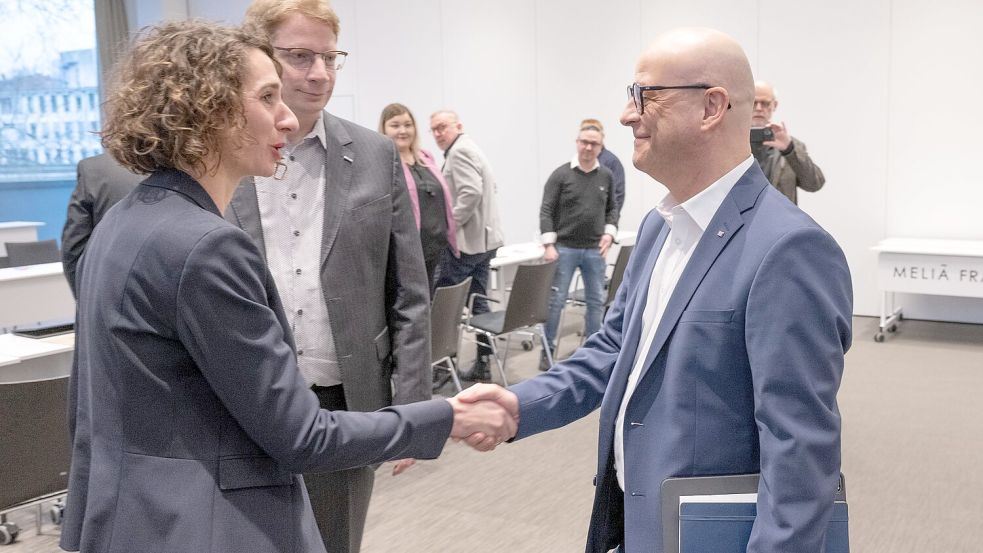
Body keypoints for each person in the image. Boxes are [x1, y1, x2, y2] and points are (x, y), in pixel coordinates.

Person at [61, 20, 515, 553]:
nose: (286, 115)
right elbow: (302, 436)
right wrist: (447, 414)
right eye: (268, 96)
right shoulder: (207, 246)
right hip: (208, 527)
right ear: (211, 110)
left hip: (130, 520)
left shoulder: (122, 222)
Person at [459, 27, 853, 552]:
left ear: (711, 106)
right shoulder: (657, 227)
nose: (627, 114)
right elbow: (615, 350)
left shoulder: (788, 249)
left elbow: (800, 454)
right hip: (639, 526)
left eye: (646, 95)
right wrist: (519, 404)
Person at [225, 3, 433, 551]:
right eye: (299, 57)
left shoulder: (375, 154)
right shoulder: (224, 156)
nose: (319, 73)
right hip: (243, 394)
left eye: (329, 57)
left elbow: (409, 291)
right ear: (261, 60)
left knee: (336, 540)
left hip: (345, 398)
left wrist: (412, 408)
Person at [430, 110, 505, 381]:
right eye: (434, 130)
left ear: (458, 126)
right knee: (479, 301)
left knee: (444, 304)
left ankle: (441, 368)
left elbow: (470, 192)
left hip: (468, 244)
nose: (438, 134)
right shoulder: (470, 148)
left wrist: (449, 226)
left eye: (442, 127)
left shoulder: (459, 152)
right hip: (484, 242)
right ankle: (484, 364)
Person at [539, 123, 619, 370]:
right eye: (584, 142)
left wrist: (609, 233)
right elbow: (546, 209)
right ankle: (547, 349)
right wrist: (549, 243)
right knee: (556, 301)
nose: (587, 147)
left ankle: (595, 350)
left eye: (593, 143)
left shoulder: (606, 175)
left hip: (595, 249)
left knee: (596, 301)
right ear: (577, 142)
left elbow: (611, 208)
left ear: (600, 147)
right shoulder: (561, 175)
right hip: (564, 249)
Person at [378, 103, 458, 296]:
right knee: (417, 307)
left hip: (438, 249)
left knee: (437, 307)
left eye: (408, 124)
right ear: (384, 129)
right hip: (410, 254)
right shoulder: (384, 162)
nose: (403, 130)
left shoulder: (425, 157)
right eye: (395, 125)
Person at [60, 153, 142, 297]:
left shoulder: (95, 169)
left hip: (110, 296)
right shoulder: (186, 167)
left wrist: (85, 301)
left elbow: (74, 247)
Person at [751, 80, 825, 204]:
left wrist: (789, 150)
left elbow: (814, 184)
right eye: (753, 103)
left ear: (774, 105)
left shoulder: (791, 146)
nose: (759, 108)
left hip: (779, 221)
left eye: (765, 103)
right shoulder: (729, 145)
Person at [580, 118, 626, 214]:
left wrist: (609, 222)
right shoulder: (577, 163)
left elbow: (618, 195)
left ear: (601, 137)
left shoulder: (611, 162)